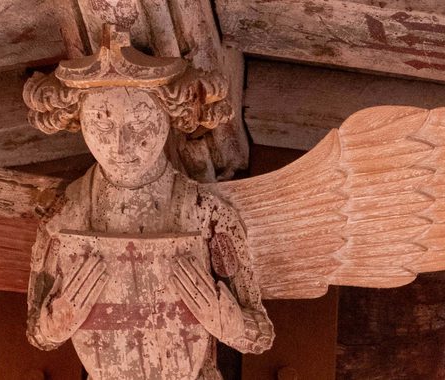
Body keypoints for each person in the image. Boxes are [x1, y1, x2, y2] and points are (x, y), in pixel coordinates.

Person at [22, 25, 274, 379]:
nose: (121, 145)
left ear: (168, 118)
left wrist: (226, 320)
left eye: (140, 124)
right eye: (102, 126)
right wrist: (58, 319)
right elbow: (37, 332)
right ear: (80, 124)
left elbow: (258, 333)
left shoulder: (204, 213)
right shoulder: (65, 215)